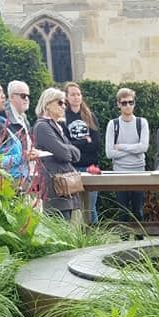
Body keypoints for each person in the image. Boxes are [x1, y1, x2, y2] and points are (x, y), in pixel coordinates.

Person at [33, 87, 82, 220]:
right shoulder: (42, 126)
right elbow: (64, 154)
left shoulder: (57, 126)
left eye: (64, 103)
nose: (64, 106)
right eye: (60, 103)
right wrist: (64, 150)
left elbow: (77, 154)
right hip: (54, 190)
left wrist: (63, 150)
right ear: (47, 104)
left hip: (64, 189)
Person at [105, 87, 149, 222]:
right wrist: (133, 150)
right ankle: (123, 242)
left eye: (131, 102)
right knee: (122, 211)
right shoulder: (113, 124)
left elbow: (144, 147)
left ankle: (140, 241)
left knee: (138, 211)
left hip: (139, 171)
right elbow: (109, 153)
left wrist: (121, 147)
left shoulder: (142, 122)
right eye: (124, 103)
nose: (128, 105)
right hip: (119, 172)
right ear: (118, 104)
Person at [64, 82, 101, 224]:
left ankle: (94, 236)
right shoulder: (63, 118)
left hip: (90, 167)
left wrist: (76, 145)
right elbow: (66, 145)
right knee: (75, 208)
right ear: (67, 97)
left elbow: (96, 144)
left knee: (90, 208)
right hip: (71, 168)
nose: (76, 97)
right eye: (72, 94)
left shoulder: (90, 116)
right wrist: (85, 141)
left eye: (78, 94)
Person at [4, 80, 40, 185]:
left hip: (26, 173)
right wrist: (25, 156)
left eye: (28, 96)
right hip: (11, 177)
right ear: (11, 97)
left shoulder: (23, 118)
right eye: (23, 96)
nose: (27, 99)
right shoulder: (4, 119)